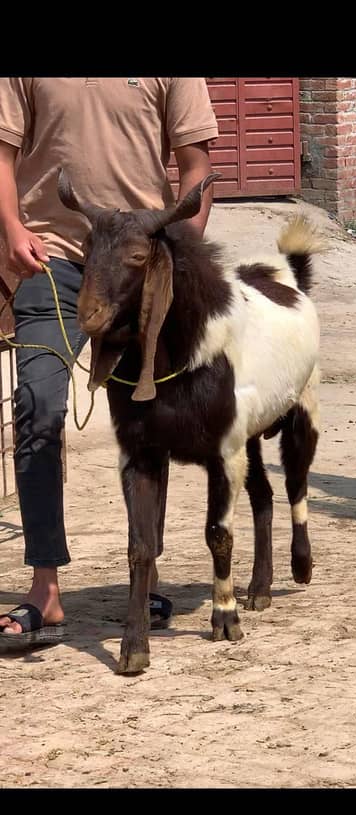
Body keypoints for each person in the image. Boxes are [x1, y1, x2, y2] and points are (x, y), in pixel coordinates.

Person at [0, 77, 218, 647]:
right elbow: (2, 153)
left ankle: (142, 580)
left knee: (146, 422)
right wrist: (12, 227)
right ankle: (44, 588)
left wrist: (178, 250)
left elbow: (197, 167)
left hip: (140, 265)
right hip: (54, 261)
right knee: (37, 408)